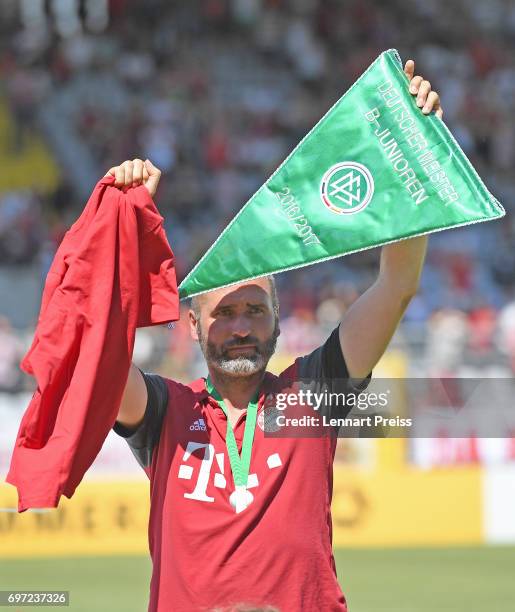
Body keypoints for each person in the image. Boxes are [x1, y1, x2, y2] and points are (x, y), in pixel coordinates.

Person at [111, 60, 442, 612]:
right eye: (224, 313)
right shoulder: (165, 411)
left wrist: (413, 151)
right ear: (192, 323)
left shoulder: (310, 395)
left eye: (255, 310)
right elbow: (101, 354)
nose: (241, 327)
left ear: (279, 317)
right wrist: (124, 227)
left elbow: (397, 285)